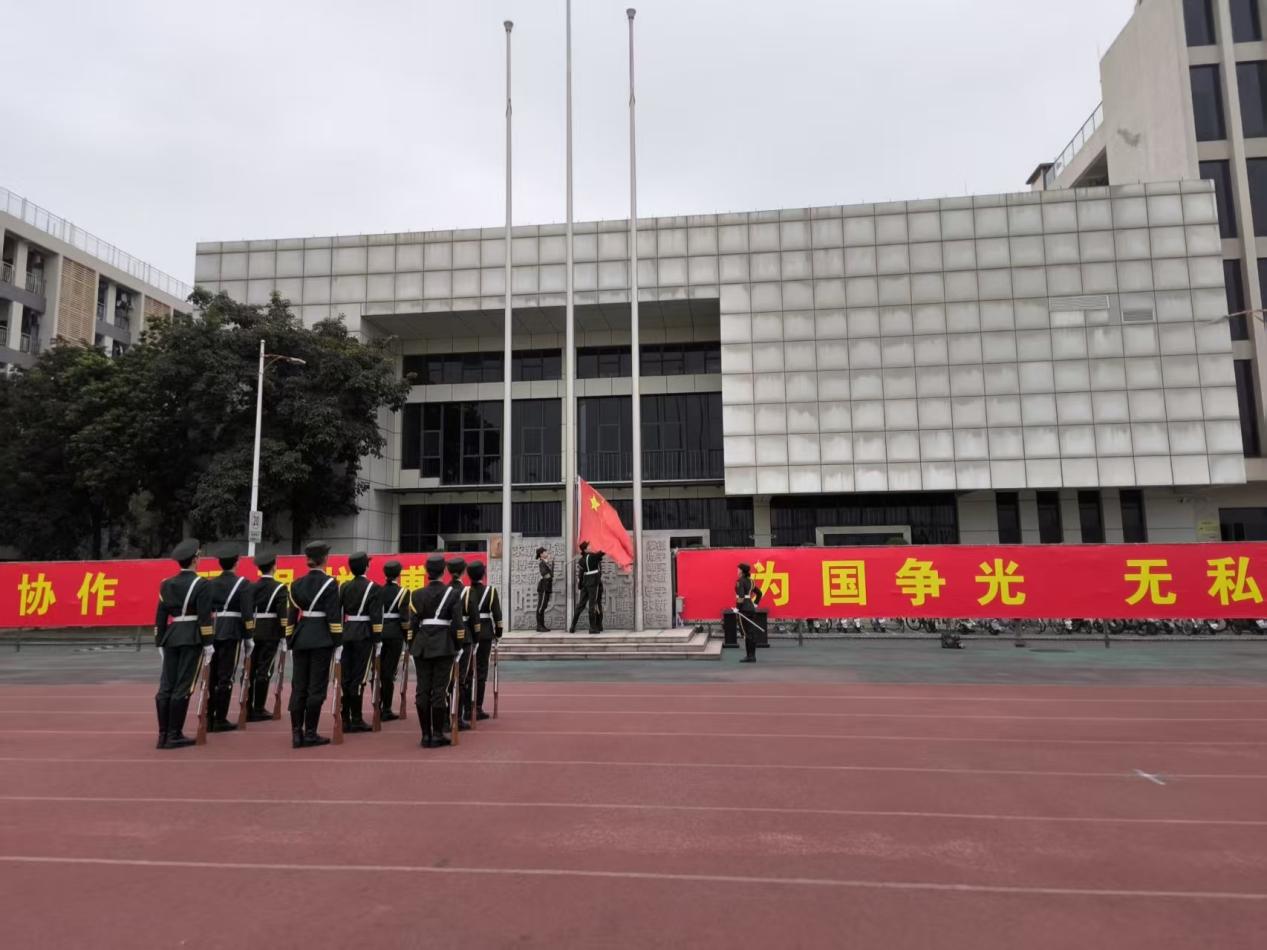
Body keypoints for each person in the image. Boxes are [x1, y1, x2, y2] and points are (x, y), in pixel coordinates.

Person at [154, 538, 213, 749]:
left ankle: (163, 735)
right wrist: (208, 643)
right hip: (191, 636)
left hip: (171, 636)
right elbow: (205, 617)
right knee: (184, 686)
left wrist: (159, 641)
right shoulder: (201, 584)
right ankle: (174, 734)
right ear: (195, 560)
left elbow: (160, 617)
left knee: (166, 686)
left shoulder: (166, 584)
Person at [286, 541, 343, 748]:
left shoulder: (295, 584)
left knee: (299, 686)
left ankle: (296, 733)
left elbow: (291, 616)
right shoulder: (330, 584)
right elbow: (333, 616)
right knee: (316, 687)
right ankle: (310, 733)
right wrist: (338, 642)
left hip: (301, 636)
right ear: (325, 559)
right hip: (321, 638)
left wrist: (289, 640)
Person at [408, 555, 464, 748]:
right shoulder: (453, 594)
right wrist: (458, 645)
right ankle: (438, 733)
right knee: (440, 690)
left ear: (426, 572)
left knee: (422, 690)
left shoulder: (416, 594)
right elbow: (457, 624)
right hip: (444, 645)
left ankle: (425, 735)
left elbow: (412, 624)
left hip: (422, 645)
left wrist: (412, 645)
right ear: (443, 571)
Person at [206, 543, 255, 732]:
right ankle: (220, 718)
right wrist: (249, 636)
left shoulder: (210, 584)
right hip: (232, 630)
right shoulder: (243, 584)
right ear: (237, 562)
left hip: (214, 629)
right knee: (225, 676)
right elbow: (247, 613)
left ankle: (209, 715)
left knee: (212, 675)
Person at [338, 552, 381, 734]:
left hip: (346, 632)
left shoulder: (344, 586)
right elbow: (376, 616)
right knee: (359, 677)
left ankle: (345, 718)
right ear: (366, 567)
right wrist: (378, 639)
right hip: (364, 634)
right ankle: (356, 718)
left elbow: (339, 612)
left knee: (346, 677)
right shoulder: (373, 587)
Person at [247, 552, 288, 722]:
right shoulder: (279, 587)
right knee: (264, 670)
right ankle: (258, 708)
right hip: (270, 632)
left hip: (253, 630)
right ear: (273, 567)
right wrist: (284, 635)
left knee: (250, 669)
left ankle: (247, 706)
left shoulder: (251, 587)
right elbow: (282, 615)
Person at [462, 560, 503, 722]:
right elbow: (497, 616)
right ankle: (477, 707)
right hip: (484, 633)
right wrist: (498, 634)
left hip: (467, 632)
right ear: (483, 574)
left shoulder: (465, 591)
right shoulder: (490, 591)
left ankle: (466, 707)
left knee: (467, 671)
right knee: (481, 671)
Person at [377, 560, 410, 722]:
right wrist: (408, 637)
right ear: (399, 574)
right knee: (389, 673)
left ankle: (377, 703)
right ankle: (386, 708)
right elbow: (404, 619)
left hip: (379, 633)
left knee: (379, 671)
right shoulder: (403, 592)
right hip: (395, 634)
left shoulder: (378, 591)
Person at [445, 557, 469, 731]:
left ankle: (445, 719)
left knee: (445, 681)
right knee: (460, 680)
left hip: (445, 638)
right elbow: (473, 616)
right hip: (463, 638)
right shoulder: (466, 591)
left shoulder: (445, 590)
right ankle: (457, 717)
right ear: (463, 571)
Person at [569, 541, 604, 634]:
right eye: (589, 546)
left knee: (580, 605)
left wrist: (580, 585)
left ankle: (572, 626)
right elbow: (601, 553)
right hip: (593, 583)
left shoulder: (581, 560)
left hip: (585, 583)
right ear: (585, 549)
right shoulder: (591, 556)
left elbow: (581, 574)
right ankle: (593, 627)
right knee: (593, 605)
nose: (591, 546)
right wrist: (608, 545)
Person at [735, 562, 763, 663]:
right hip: (751, 608)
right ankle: (752, 656)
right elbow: (759, 593)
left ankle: (749, 656)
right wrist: (754, 605)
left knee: (747, 634)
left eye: (738, 569)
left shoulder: (740, 581)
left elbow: (741, 596)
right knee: (751, 633)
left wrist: (738, 608)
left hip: (743, 610)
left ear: (742, 571)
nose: (737, 571)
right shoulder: (751, 581)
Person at [535, 547, 553, 632]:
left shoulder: (546, 563)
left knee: (544, 606)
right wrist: (550, 575)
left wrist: (550, 563)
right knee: (541, 607)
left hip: (547, 587)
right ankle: (539, 626)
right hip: (543, 587)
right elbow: (545, 574)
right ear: (541, 554)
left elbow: (550, 574)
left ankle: (542, 625)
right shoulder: (542, 563)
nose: (547, 553)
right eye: (545, 552)